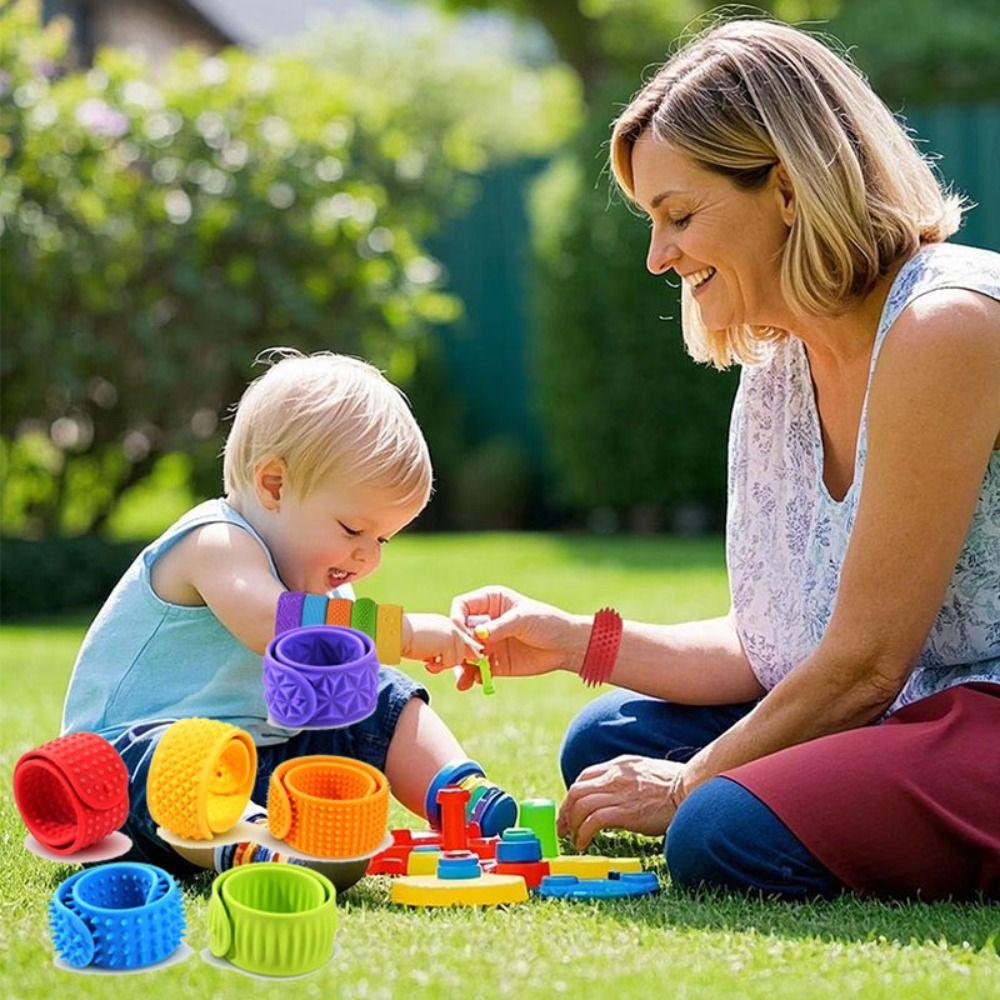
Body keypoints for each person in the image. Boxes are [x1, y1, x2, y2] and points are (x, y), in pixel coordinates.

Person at [440, 19, 1000, 901]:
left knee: (718, 826)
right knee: (604, 741)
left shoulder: (948, 328)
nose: (660, 256)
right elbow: (774, 637)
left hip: (979, 707)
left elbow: (864, 664)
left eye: (680, 215)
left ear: (786, 188)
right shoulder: (778, 363)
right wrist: (573, 640)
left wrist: (689, 781)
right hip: (903, 708)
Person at [61, 349, 491, 876]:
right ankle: (254, 845)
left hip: (254, 768)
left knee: (382, 694)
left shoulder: (326, 592)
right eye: (353, 530)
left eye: (382, 538)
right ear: (273, 486)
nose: (368, 556)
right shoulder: (216, 542)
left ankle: (460, 797)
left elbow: (322, 694)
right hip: (120, 774)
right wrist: (402, 631)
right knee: (183, 754)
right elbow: (276, 626)